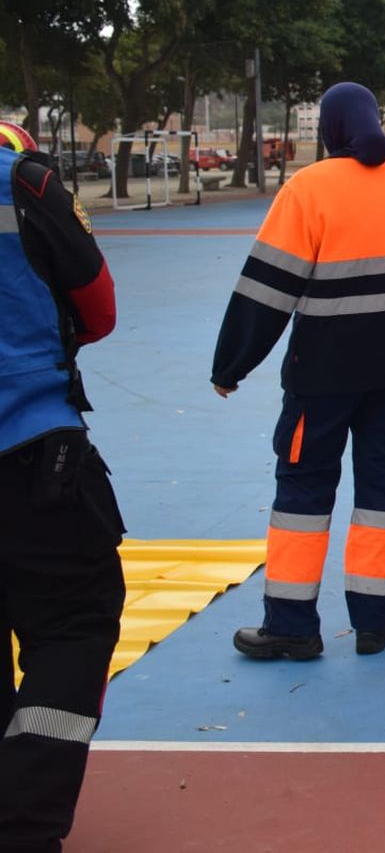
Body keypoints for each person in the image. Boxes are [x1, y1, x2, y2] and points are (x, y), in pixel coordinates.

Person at [214, 83, 385, 660]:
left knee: (302, 491)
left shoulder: (308, 187)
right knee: (379, 491)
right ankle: (373, 619)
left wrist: (231, 365)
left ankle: (291, 624)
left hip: (323, 375)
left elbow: (269, 287)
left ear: (329, 130)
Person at [0, 121, 124, 853]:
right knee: (74, 625)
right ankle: (24, 819)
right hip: (29, 452)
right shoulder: (27, 183)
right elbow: (98, 310)